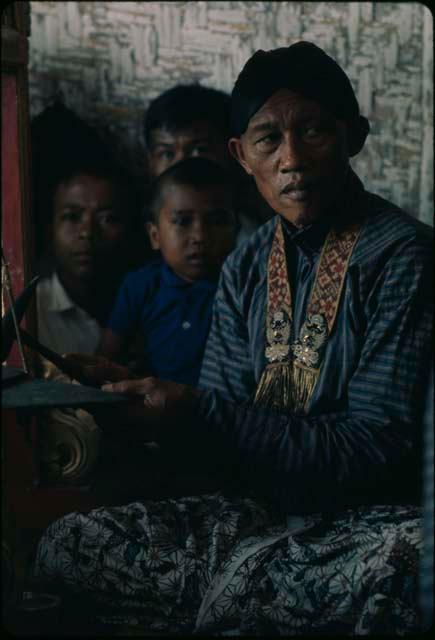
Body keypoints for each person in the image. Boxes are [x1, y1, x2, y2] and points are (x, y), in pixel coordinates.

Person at [33, 42, 433, 635]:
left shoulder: (405, 255)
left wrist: (200, 411)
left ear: (355, 135)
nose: (292, 158)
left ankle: (237, 603)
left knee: (408, 568)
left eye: (315, 131)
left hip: (366, 527)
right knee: (69, 543)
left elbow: (375, 447)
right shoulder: (246, 264)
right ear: (240, 156)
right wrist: (132, 408)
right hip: (254, 516)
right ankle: (253, 603)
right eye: (268, 139)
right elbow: (221, 438)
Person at [97, 157, 237, 386]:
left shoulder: (242, 289)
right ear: (155, 235)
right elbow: (105, 360)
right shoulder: (140, 286)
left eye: (217, 221)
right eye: (183, 221)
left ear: (236, 229)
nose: (200, 236)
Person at [144, 83, 273, 245]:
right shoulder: (132, 227)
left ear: (235, 154)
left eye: (199, 150)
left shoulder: (260, 237)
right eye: (167, 154)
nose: (182, 165)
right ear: (149, 162)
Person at [36, 164, 137, 356]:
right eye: (72, 217)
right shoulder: (33, 312)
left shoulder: (151, 302)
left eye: (108, 219)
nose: (87, 233)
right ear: (50, 230)